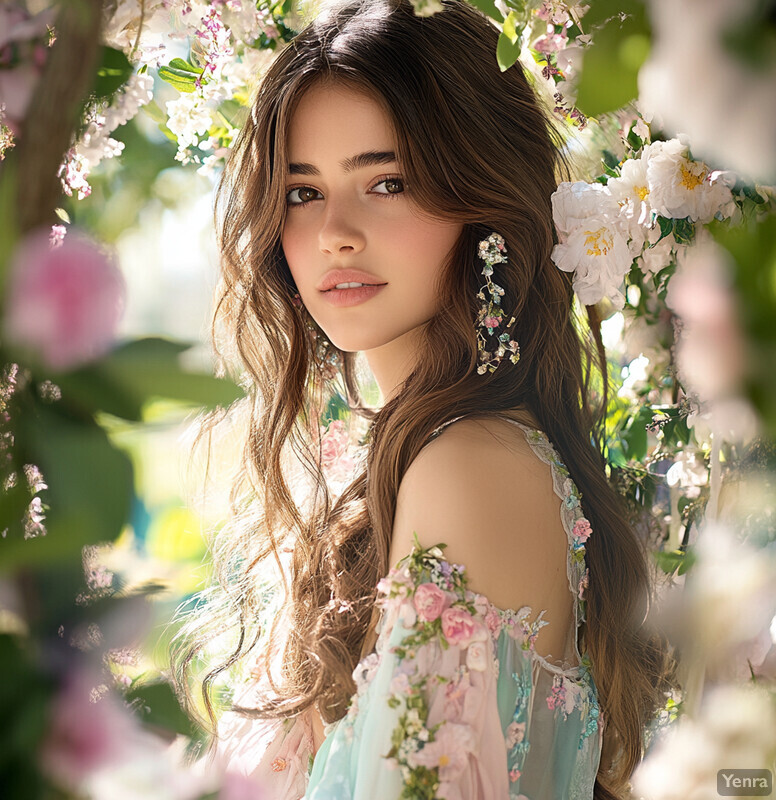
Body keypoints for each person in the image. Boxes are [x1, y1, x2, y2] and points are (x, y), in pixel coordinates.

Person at [175, 0, 673, 797]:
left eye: (388, 182)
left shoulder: (468, 465)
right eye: (303, 191)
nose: (335, 230)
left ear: (483, 208)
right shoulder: (412, 458)